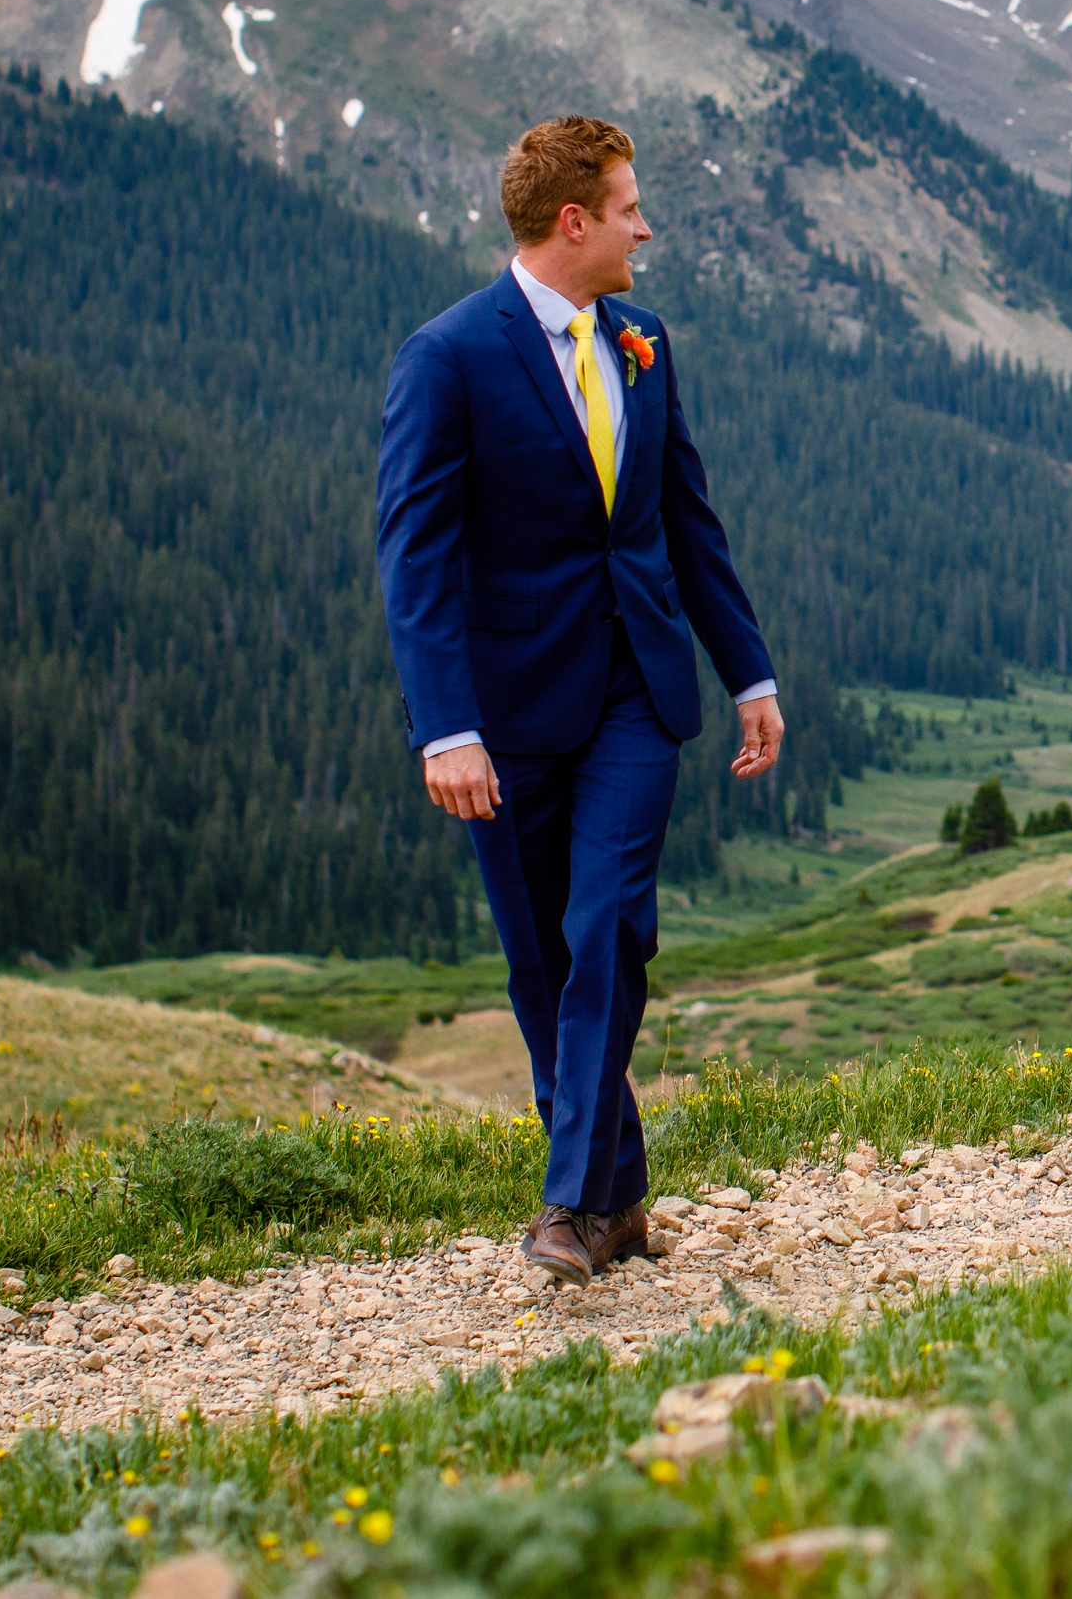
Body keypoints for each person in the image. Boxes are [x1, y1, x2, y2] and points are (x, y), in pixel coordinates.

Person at [376, 117, 783, 1285]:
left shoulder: (645, 339)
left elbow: (684, 520)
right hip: (502, 715)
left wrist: (746, 671)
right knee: (539, 959)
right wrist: (443, 727)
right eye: (628, 208)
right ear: (573, 223)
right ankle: (617, 1190)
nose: (643, 228)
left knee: (607, 924)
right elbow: (415, 556)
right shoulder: (448, 355)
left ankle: (566, 1204)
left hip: (634, 693)